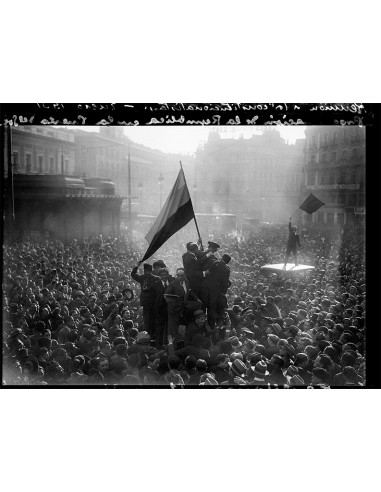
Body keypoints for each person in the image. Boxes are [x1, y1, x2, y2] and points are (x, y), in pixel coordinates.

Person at [165, 268, 202, 339]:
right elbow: (167, 295)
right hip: (175, 308)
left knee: (198, 305)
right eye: (178, 276)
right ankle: (172, 344)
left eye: (182, 275)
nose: (180, 277)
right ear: (176, 275)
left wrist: (197, 299)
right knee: (173, 329)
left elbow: (190, 291)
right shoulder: (173, 284)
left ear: (184, 275)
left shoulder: (187, 282)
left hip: (184, 306)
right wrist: (174, 303)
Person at [130, 263, 159, 337]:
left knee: (149, 320)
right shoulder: (153, 278)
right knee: (148, 320)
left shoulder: (152, 278)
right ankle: (149, 334)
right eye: (147, 271)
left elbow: (133, 274)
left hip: (150, 302)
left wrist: (136, 266)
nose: (147, 272)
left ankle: (150, 334)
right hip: (149, 302)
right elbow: (133, 274)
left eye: (148, 271)